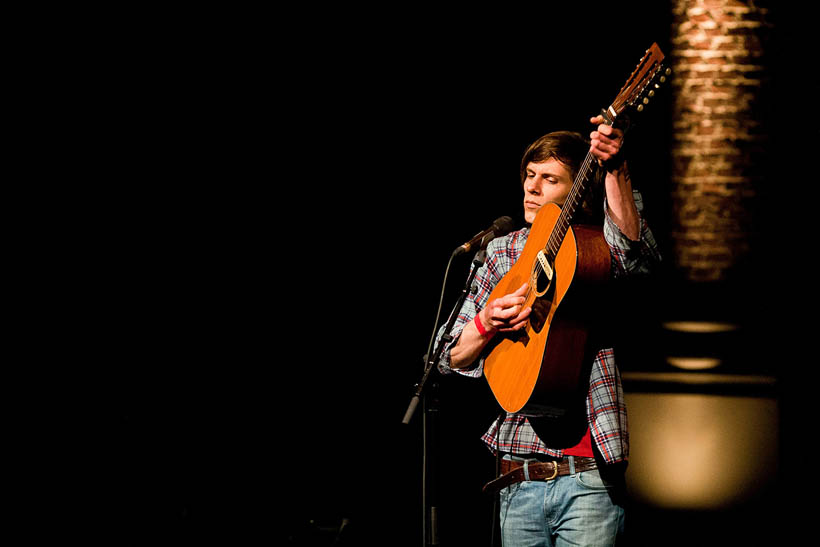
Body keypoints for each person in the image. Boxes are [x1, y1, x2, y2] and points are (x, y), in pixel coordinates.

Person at [435, 116, 661, 546]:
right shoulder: (504, 250)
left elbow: (635, 258)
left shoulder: (598, 245)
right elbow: (448, 356)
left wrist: (616, 167)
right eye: (529, 175)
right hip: (517, 474)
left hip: (589, 478)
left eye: (550, 179)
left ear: (578, 190)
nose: (532, 187)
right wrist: (485, 323)